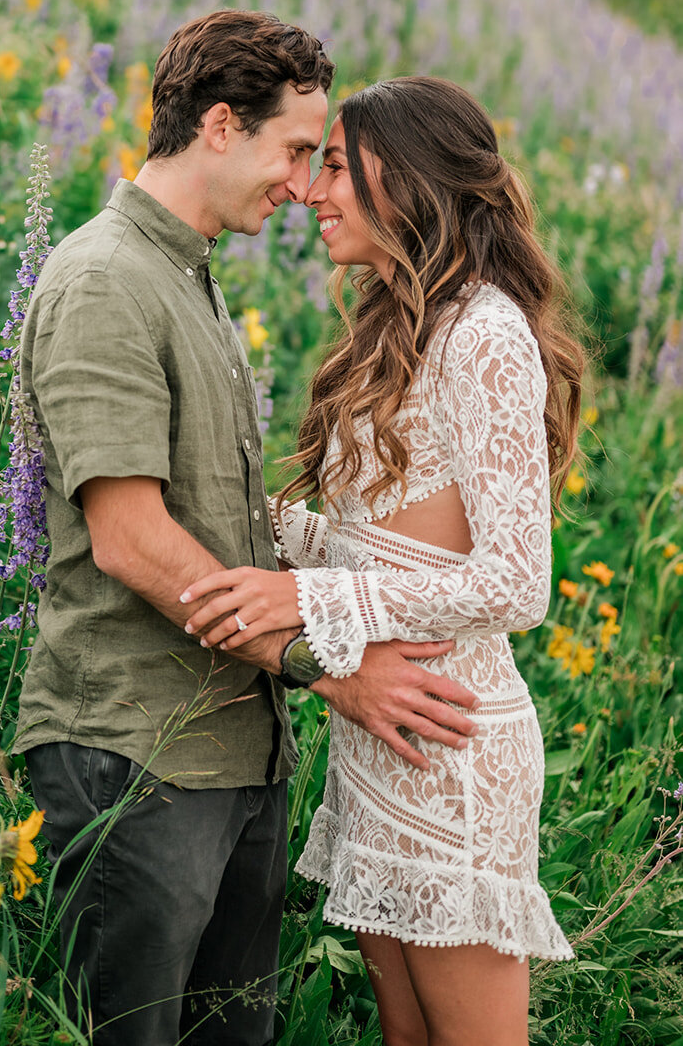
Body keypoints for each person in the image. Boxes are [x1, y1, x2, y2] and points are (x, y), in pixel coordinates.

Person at [14, 21, 479, 1046]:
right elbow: (131, 537)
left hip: (230, 750)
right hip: (137, 751)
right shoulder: (106, 279)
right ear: (220, 125)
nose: (309, 183)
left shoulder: (189, 277)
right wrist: (331, 666)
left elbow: (220, 520)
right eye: (298, 150)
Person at [182, 76, 584, 1046]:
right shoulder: (397, 327)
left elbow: (516, 581)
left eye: (334, 167)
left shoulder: (486, 332)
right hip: (379, 738)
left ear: (402, 178)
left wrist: (308, 593)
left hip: (450, 747)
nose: (312, 192)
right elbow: (374, 538)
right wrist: (240, 516)